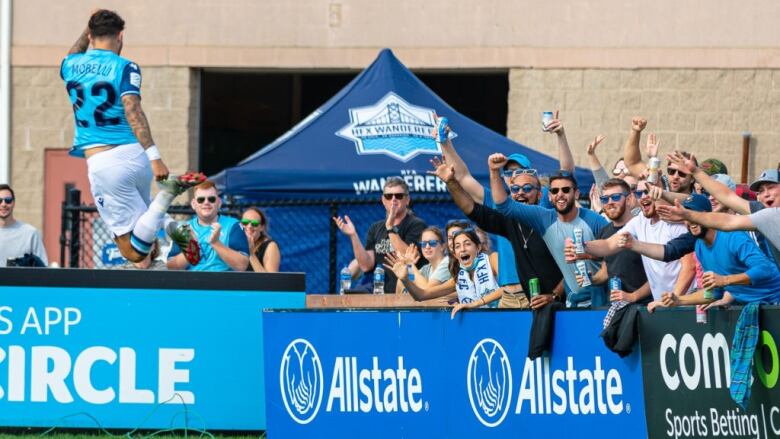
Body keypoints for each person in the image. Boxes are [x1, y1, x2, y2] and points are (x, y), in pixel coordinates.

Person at [61, 9, 204, 266]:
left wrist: (87, 30)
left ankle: (168, 195)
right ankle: (172, 227)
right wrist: (153, 156)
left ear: (91, 36)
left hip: (104, 161)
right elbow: (133, 109)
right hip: (134, 155)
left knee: (133, 252)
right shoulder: (126, 67)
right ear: (120, 36)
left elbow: (73, 53)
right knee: (146, 218)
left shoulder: (70, 65)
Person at [433, 112, 572, 307]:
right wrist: (445, 142)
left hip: (534, 293)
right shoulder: (498, 202)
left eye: (519, 171)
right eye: (507, 171)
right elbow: (463, 177)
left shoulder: (540, 200)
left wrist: (561, 135)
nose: (513, 175)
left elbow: (566, 175)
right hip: (506, 295)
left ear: (531, 177)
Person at [490, 154, 609, 307]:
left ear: (577, 193)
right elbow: (503, 205)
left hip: (598, 302)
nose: (560, 194)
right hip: (570, 303)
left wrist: (590, 259)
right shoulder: (544, 218)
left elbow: (614, 255)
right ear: (550, 196)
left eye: (566, 190)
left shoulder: (594, 220)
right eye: (555, 191)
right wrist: (493, 172)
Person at [620, 195, 780, 307]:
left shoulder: (733, 237)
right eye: (687, 218)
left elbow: (765, 270)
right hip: (750, 307)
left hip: (774, 302)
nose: (691, 222)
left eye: (696, 216)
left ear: (707, 217)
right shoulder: (699, 246)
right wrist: (679, 301)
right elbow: (713, 293)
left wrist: (725, 280)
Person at [564, 178, 695, 309]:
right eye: (639, 193)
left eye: (649, 191)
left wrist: (674, 299)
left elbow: (689, 267)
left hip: (685, 304)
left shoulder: (676, 223)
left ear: (662, 193)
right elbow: (609, 245)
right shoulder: (640, 221)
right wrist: (582, 246)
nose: (644, 197)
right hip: (660, 304)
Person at [662, 152, 780, 266]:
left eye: (771, 187)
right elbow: (727, 208)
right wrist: (695, 171)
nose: (765, 194)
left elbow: (762, 270)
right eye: (761, 191)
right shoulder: (767, 215)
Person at [333, 177, 427, 294]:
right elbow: (366, 265)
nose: (393, 199)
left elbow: (407, 257)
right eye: (389, 196)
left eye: (398, 196)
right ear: (383, 200)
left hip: (403, 291)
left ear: (407, 200)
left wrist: (390, 228)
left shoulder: (416, 224)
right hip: (377, 290)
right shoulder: (376, 227)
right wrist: (353, 235)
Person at [566, 179, 651, 305]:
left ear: (628, 200)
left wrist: (633, 296)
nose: (610, 202)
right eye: (605, 199)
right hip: (615, 306)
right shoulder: (605, 231)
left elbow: (658, 275)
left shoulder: (644, 228)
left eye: (615, 197)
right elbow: (606, 272)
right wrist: (591, 279)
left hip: (644, 306)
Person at [386, 228, 501, 318]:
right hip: (476, 324)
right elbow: (421, 295)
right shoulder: (457, 278)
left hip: (503, 317)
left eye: (467, 244)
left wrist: (476, 303)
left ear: (478, 247)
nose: (463, 249)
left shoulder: (492, 259)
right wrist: (405, 279)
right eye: (458, 246)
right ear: (455, 254)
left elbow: (509, 288)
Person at [167, 181, 249, 271]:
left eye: (211, 199)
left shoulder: (233, 225)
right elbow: (171, 267)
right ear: (194, 204)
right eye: (201, 199)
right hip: (192, 283)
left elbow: (242, 265)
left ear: (219, 202)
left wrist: (216, 243)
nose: (206, 202)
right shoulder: (184, 228)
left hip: (225, 283)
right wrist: (192, 250)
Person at [0, 184, 48, 267]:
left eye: (8, 200)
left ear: (14, 203)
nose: (3, 204)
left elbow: (43, 270)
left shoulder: (30, 233)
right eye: (0, 201)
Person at [392, 226, 451, 294]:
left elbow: (426, 291)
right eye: (423, 244)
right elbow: (411, 281)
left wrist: (410, 264)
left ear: (443, 247)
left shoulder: (447, 263)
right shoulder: (426, 268)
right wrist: (405, 267)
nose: (427, 247)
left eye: (432, 243)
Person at [242, 207, 280, 273]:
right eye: (245, 222)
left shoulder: (270, 246)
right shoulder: (235, 243)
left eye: (254, 223)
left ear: (262, 227)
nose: (249, 226)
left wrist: (251, 254)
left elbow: (271, 280)